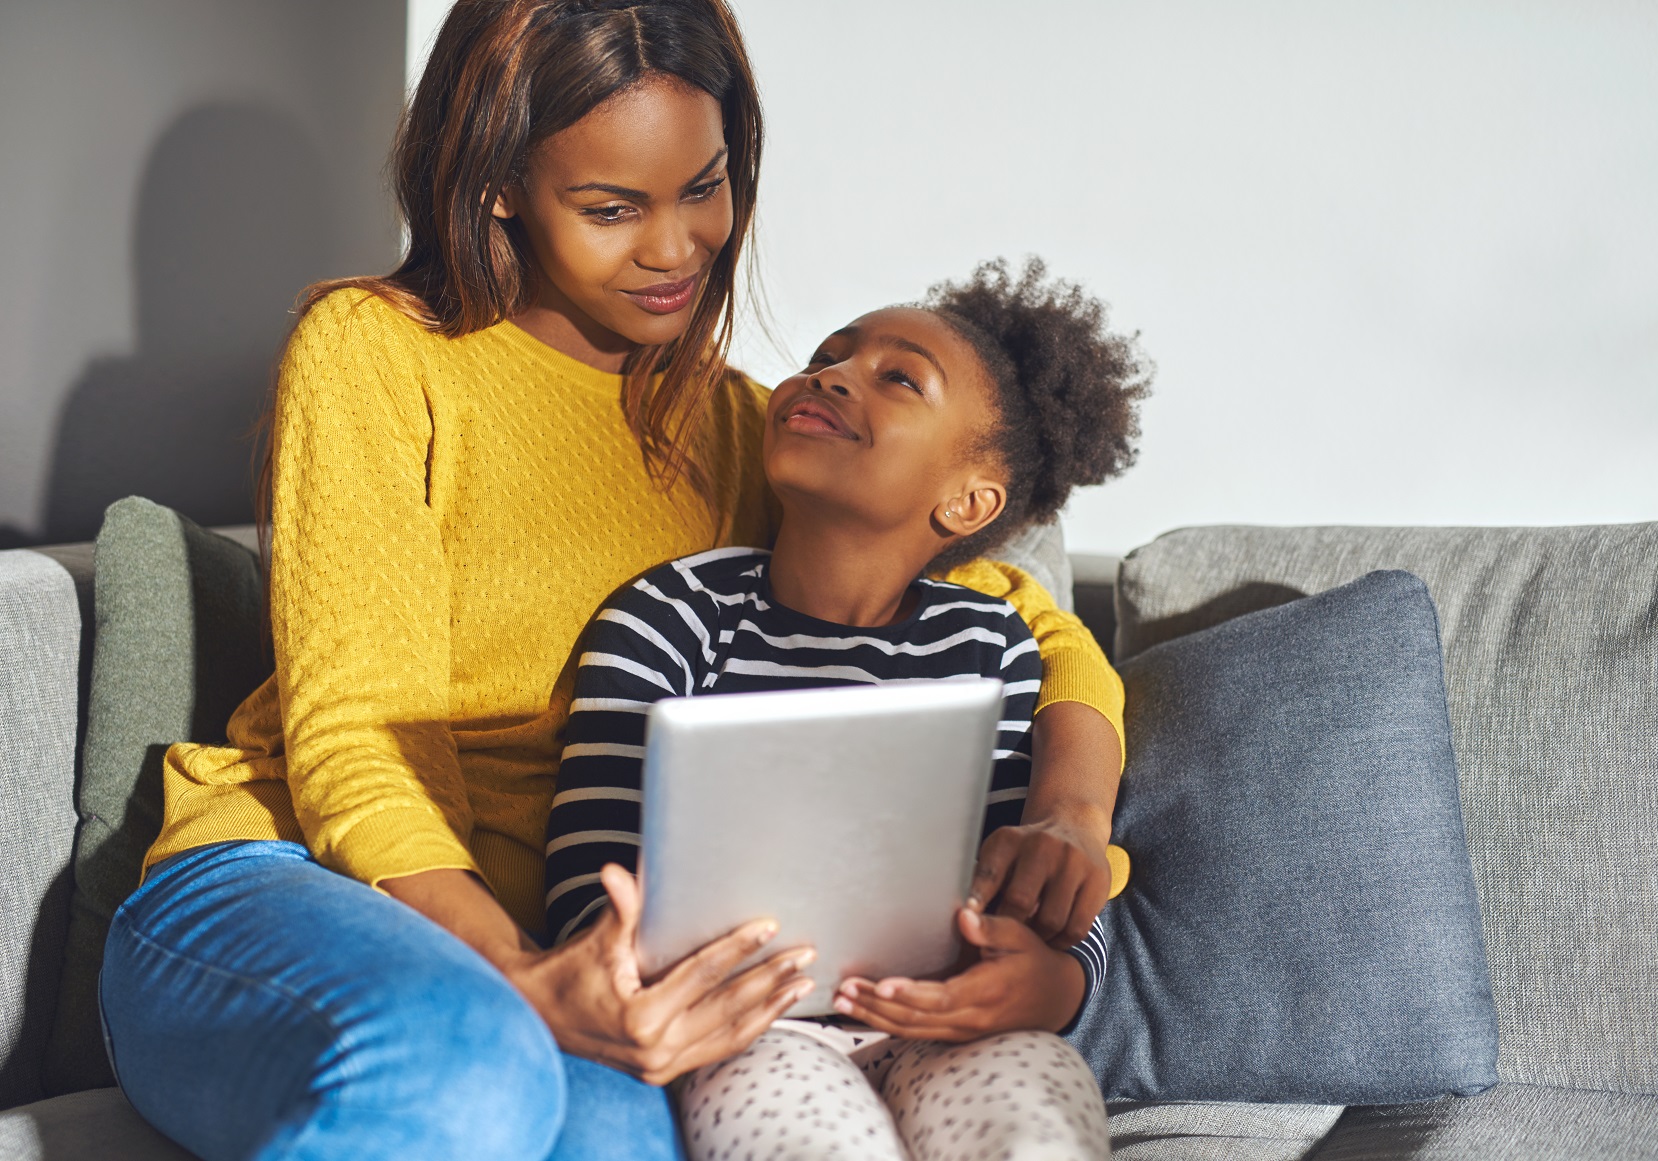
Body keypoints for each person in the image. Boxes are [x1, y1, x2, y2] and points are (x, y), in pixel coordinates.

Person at [98, 4, 1127, 1160]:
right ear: (497, 188)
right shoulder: (373, 352)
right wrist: (522, 976)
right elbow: (354, 739)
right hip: (294, 879)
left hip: (580, 950)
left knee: (626, 1144)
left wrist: (1071, 818)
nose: (676, 248)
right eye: (610, 209)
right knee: (467, 1075)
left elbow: (1030, 623)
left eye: (704, 186)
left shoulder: (748, 429)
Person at [546, 257, 1148, 1160]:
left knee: (1035, 1131)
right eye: (828, 355)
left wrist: (1052, 988)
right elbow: (588, 886)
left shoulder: (991, 640)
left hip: (953, 1023)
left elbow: (1046, 883)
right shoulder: (671, 615)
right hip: (753, 1030)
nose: (830, 373)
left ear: (969, 500)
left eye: (897, 377)